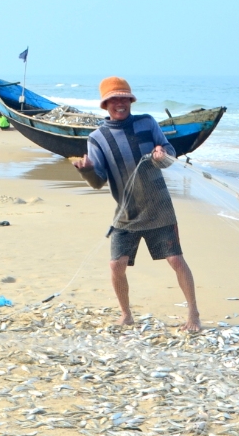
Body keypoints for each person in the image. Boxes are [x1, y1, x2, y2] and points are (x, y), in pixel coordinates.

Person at [72, 76, 200, 332]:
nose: (120, 103)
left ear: (131, 101)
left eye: (124, 98)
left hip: (159, 208)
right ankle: (126, 314)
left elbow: (169, 152)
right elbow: (98, 182)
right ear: (105, 105)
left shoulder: (147, 122)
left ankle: (194, 315)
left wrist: (162, 154)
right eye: (114, 100)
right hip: (126, 213)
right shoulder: (97, 138)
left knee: (176, 260)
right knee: (116, 265)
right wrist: (86, 170)